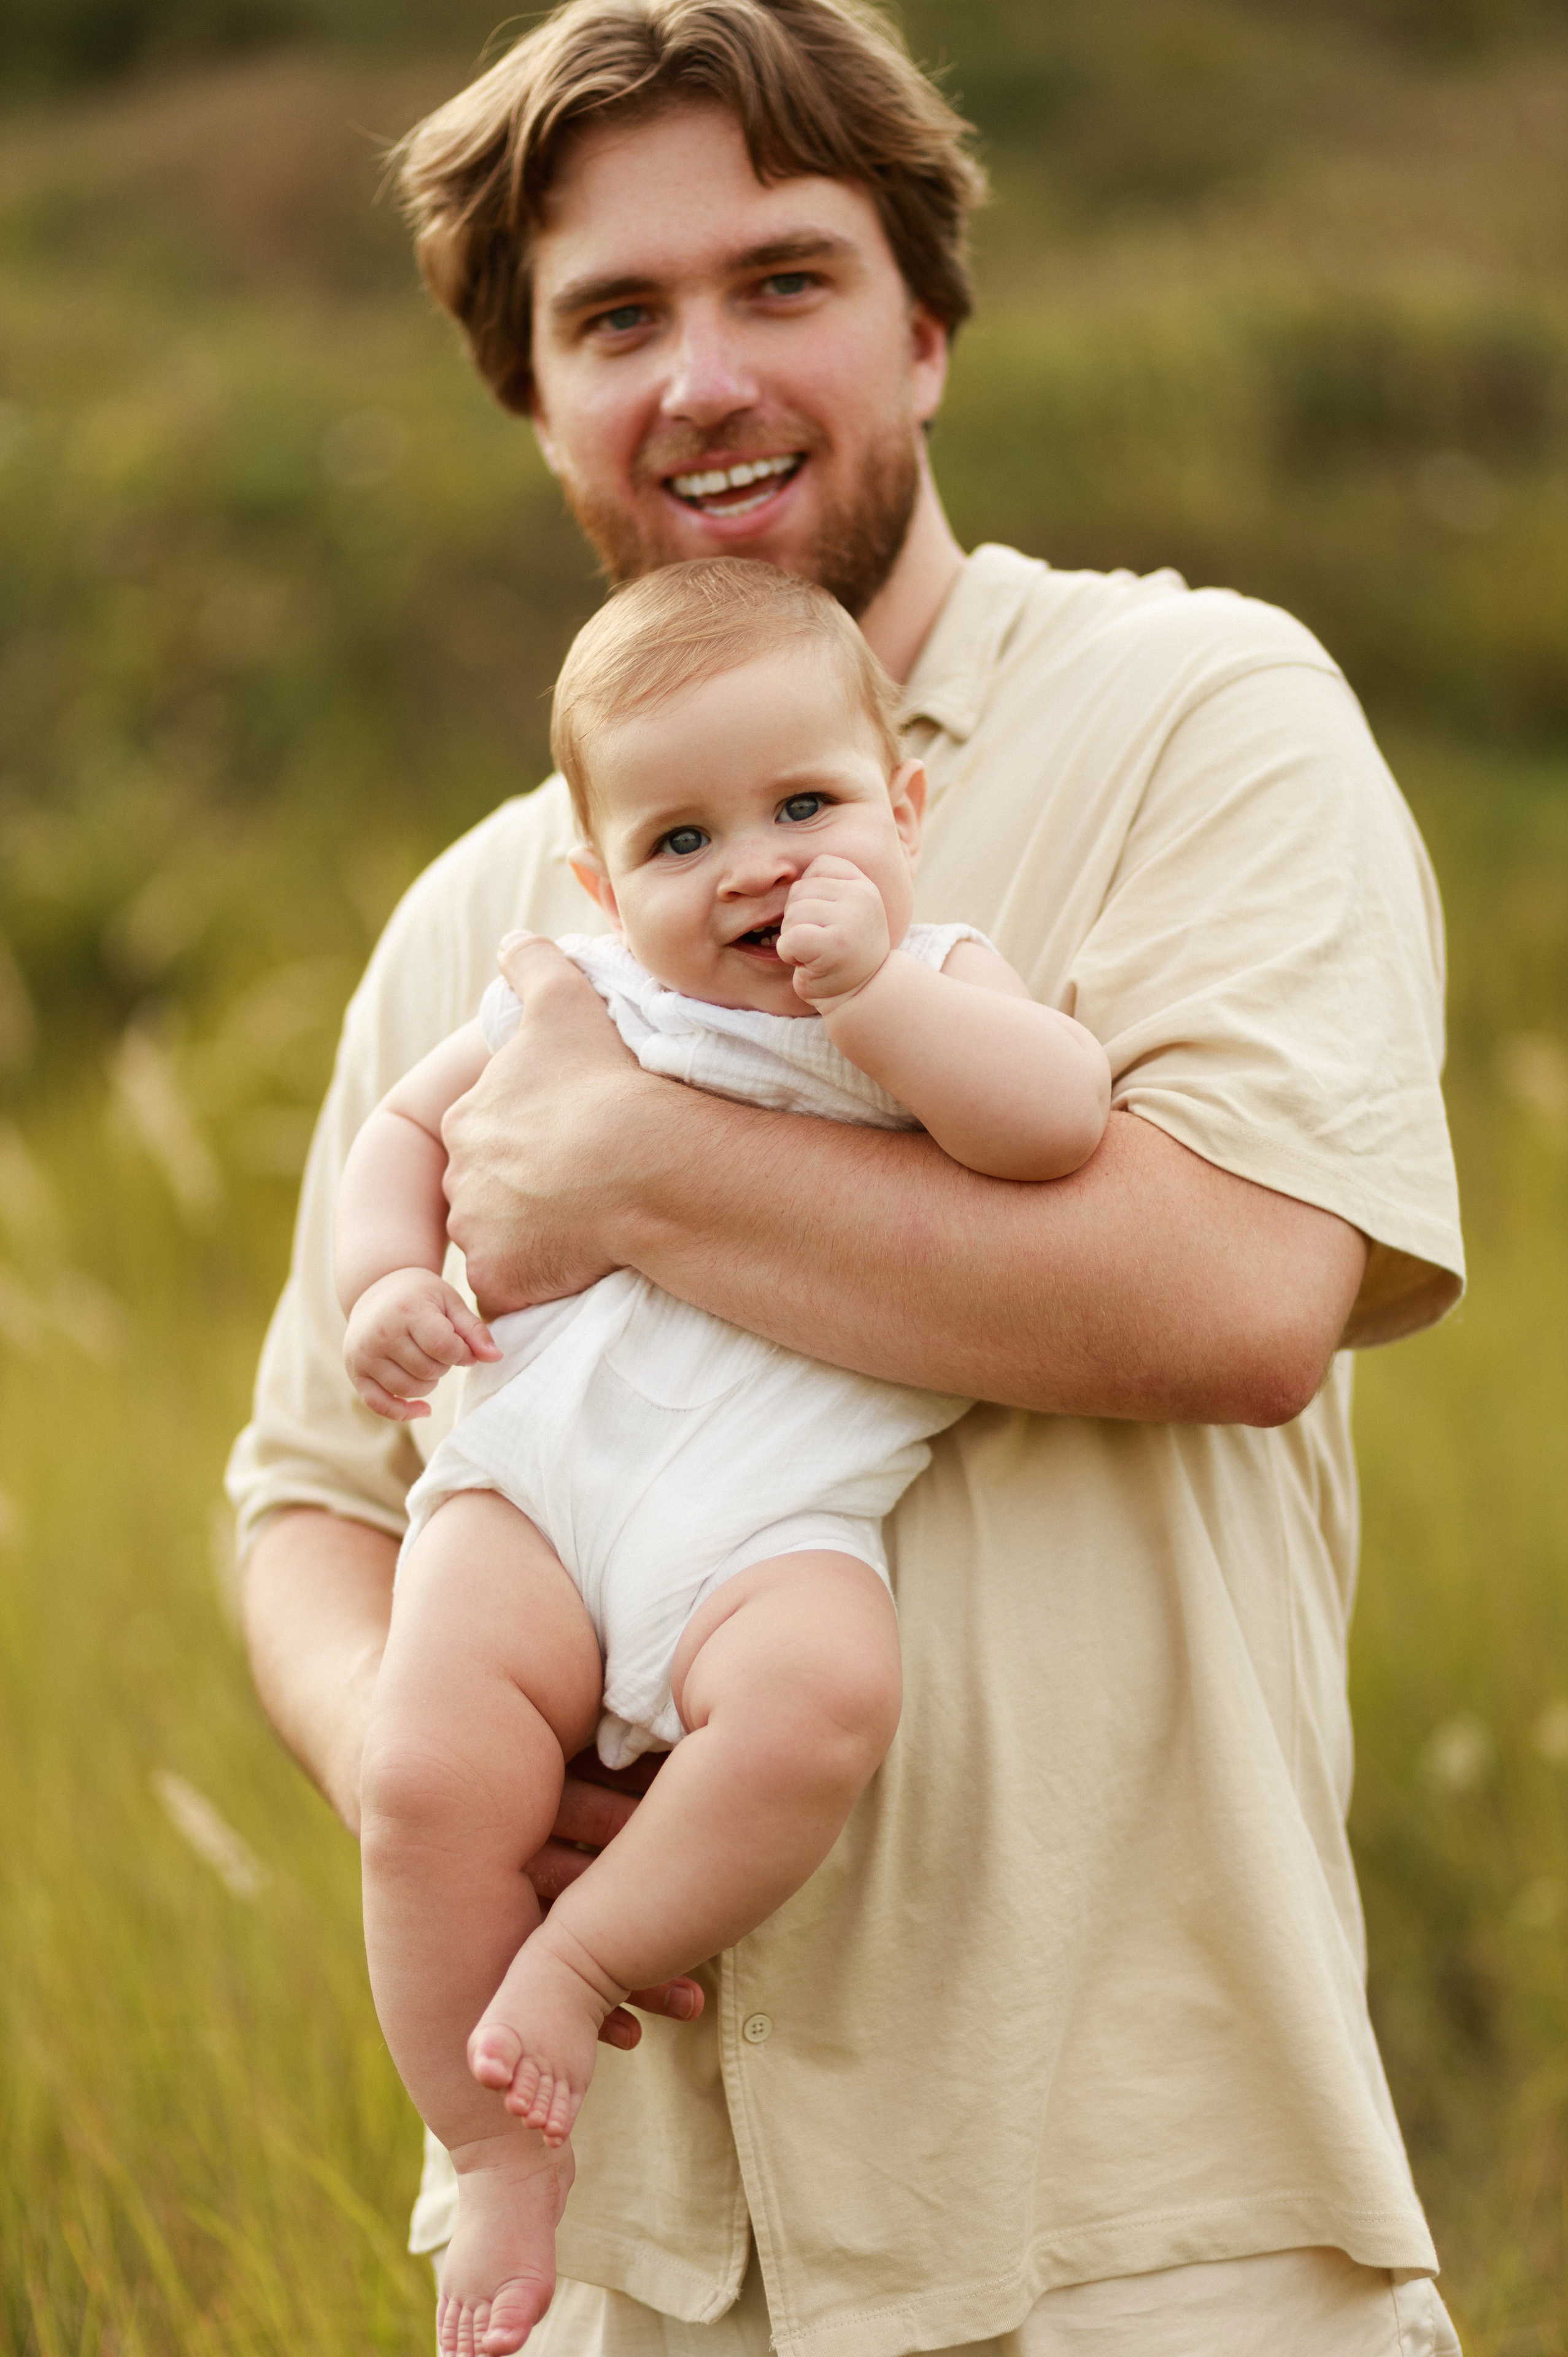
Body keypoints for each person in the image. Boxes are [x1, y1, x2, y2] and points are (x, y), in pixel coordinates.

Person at [226, 3, 1468, 2351]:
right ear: (533, 398)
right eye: (615, 318)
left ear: (924, 325)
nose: (703, 380)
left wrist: (623, 1165)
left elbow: (1239, 1302)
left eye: (781, 281)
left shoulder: (1202, 713)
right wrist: (440, 1749)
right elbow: (306, 1503)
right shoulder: (482, 912)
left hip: (1143, 2221)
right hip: (621, 2255)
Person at [340, 558, 1111, 2356]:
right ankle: (496, 2149)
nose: (757, 866)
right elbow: (405, 1130)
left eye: (807, 808)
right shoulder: (578, 994)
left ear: (905, 807)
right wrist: (386, 1276)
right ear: (604, 886)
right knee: (421, 1779)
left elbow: (1057, 1122)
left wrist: (877, 999)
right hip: (539, 1478)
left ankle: (586, 1955)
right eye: (681, 841)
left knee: (826, 1700)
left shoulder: (939, 983)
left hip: (771, 1520)